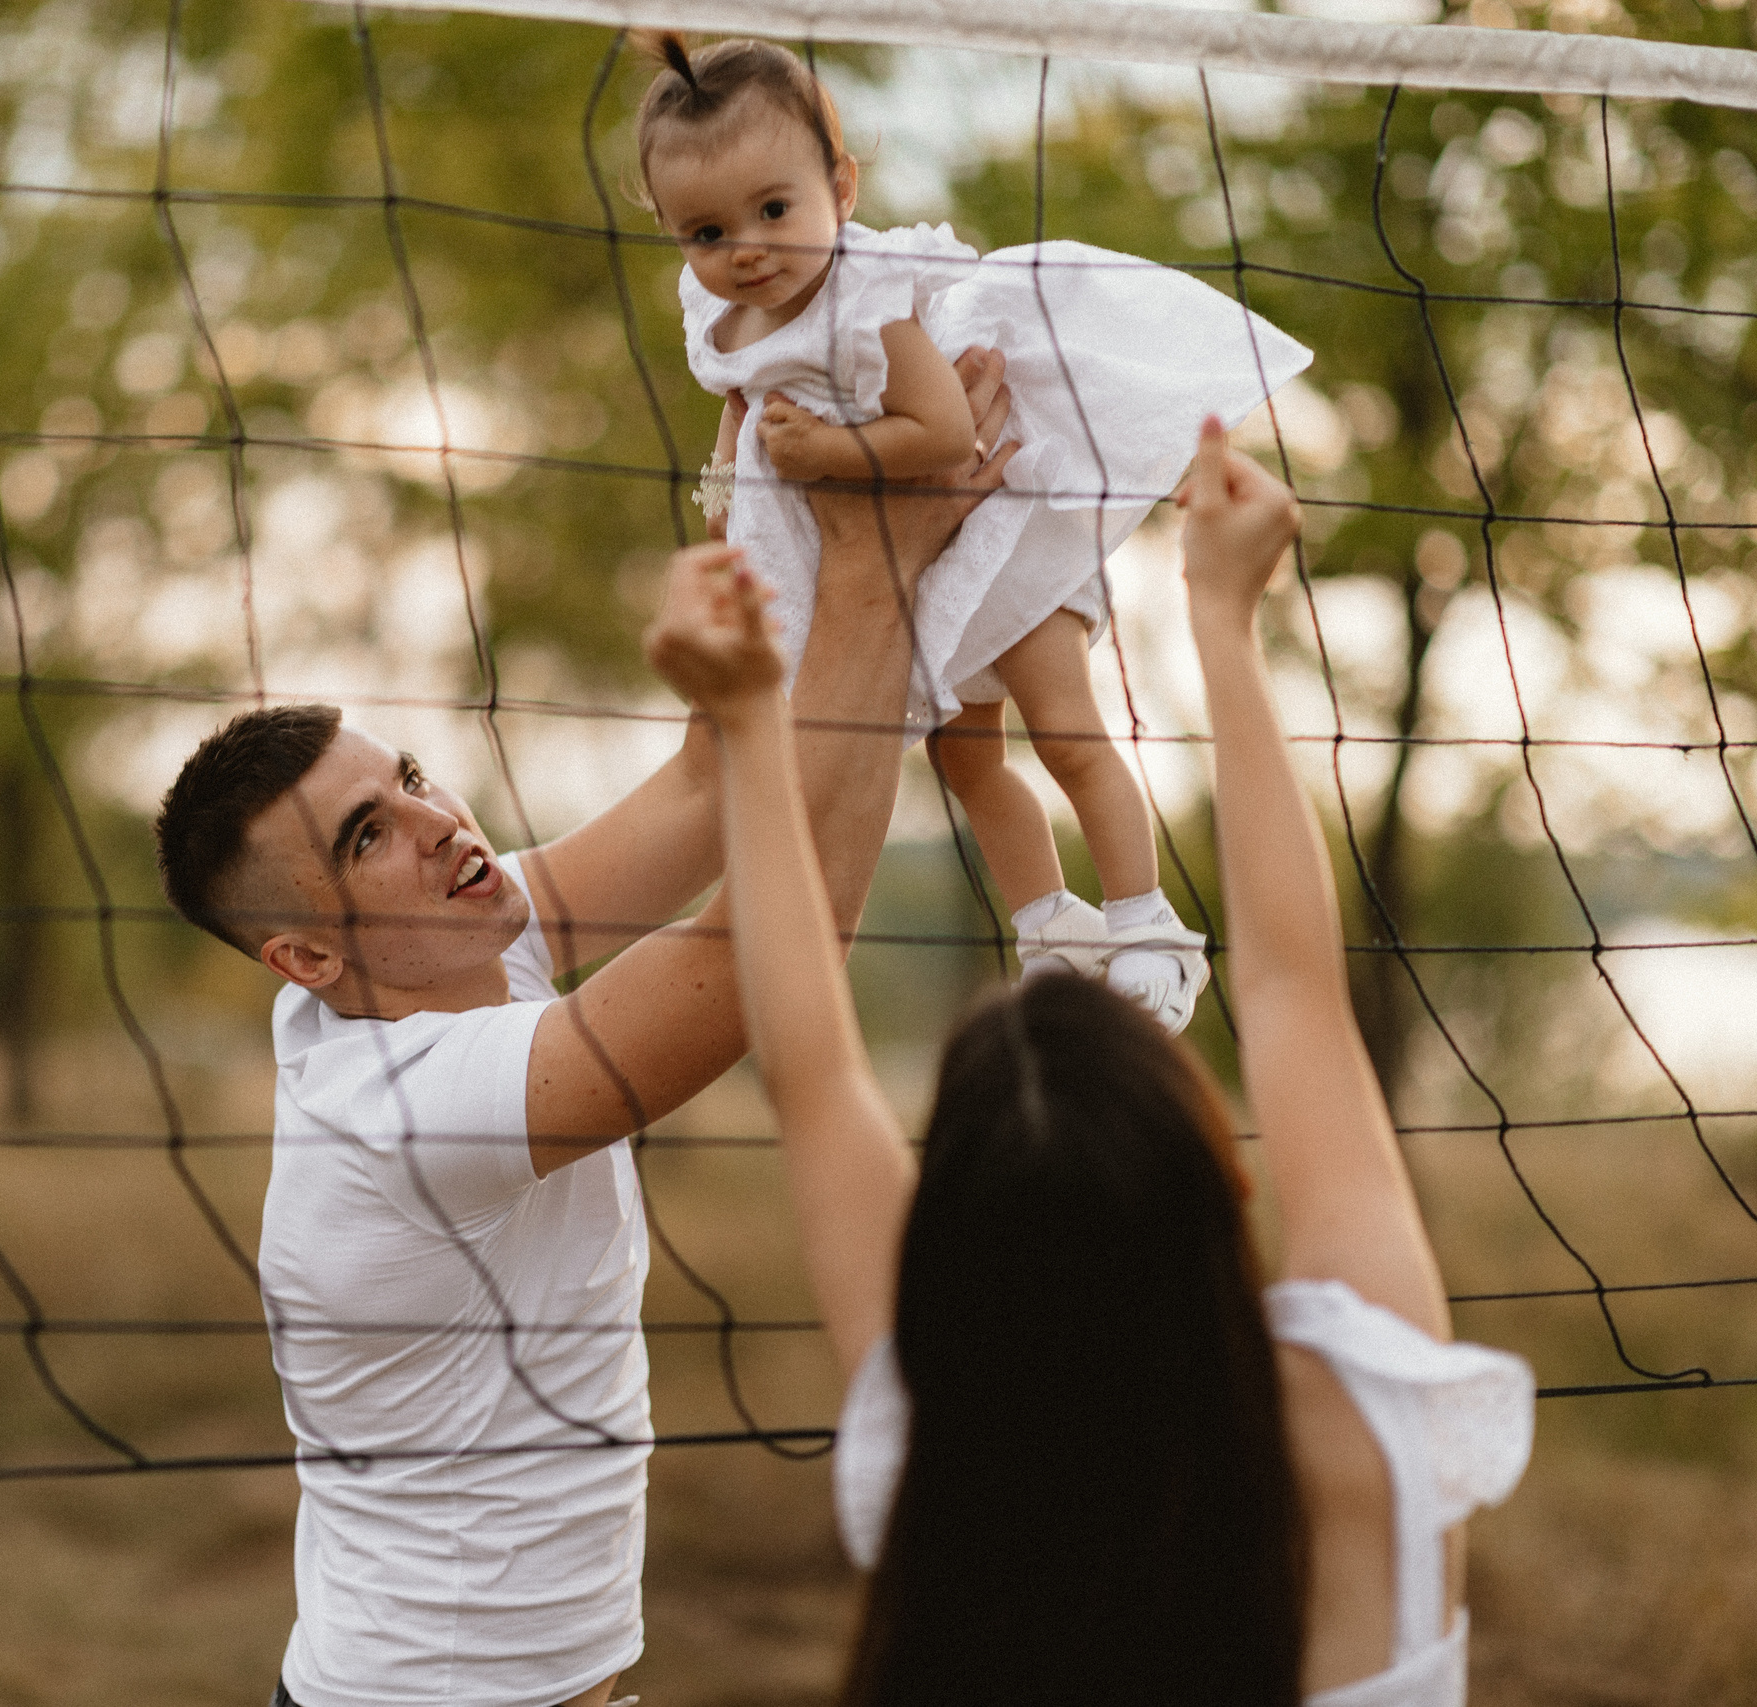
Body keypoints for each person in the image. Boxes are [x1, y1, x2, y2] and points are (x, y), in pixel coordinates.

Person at [151, 355, 1022, 1707]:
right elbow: (769, 956)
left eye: (411, 777)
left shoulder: (438, 954)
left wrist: (776, 524)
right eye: (370, 833)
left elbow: (699, 780)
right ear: (307, 950)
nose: (441, 822)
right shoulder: (413, 1100)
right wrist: (876, 571)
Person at [643, 417, 1534, 1704]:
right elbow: (1290, 997)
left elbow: (813, 1074)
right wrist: (1222, 620)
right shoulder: (1377, 1423)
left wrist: (740, 720)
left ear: (936, 1254)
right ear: (1227, 1193)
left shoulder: (937, 1468)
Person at [635, 33, 1314, 1031]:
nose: (746, 248)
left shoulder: (870, 303)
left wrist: (825, 453)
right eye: (705, 231)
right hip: (929, 574)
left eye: (775, 210)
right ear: (670, 232)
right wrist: (732, 487)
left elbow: (941, 433)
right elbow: (739, 402)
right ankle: (1048, 930)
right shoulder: (725, 314)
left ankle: (1148, 927)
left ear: (841, 186)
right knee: (965, 762)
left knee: (1066, 732)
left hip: (1005, 536)